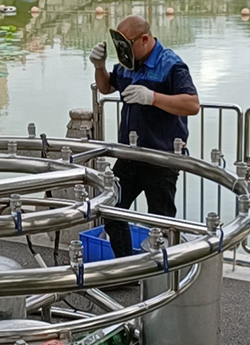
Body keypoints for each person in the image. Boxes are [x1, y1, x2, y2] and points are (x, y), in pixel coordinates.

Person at [89, 15, 200, 257]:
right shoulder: (128, 65)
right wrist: (100, 67)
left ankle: (160, 276)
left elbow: (192, 104)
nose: (123, 52)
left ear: (145, 39)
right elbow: (107, 87)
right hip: (129, 156)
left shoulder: (171, 64)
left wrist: (152, 97)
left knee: (160, 222)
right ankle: (127, 267)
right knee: (110, 209)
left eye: (126, 46)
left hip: (161, 158)